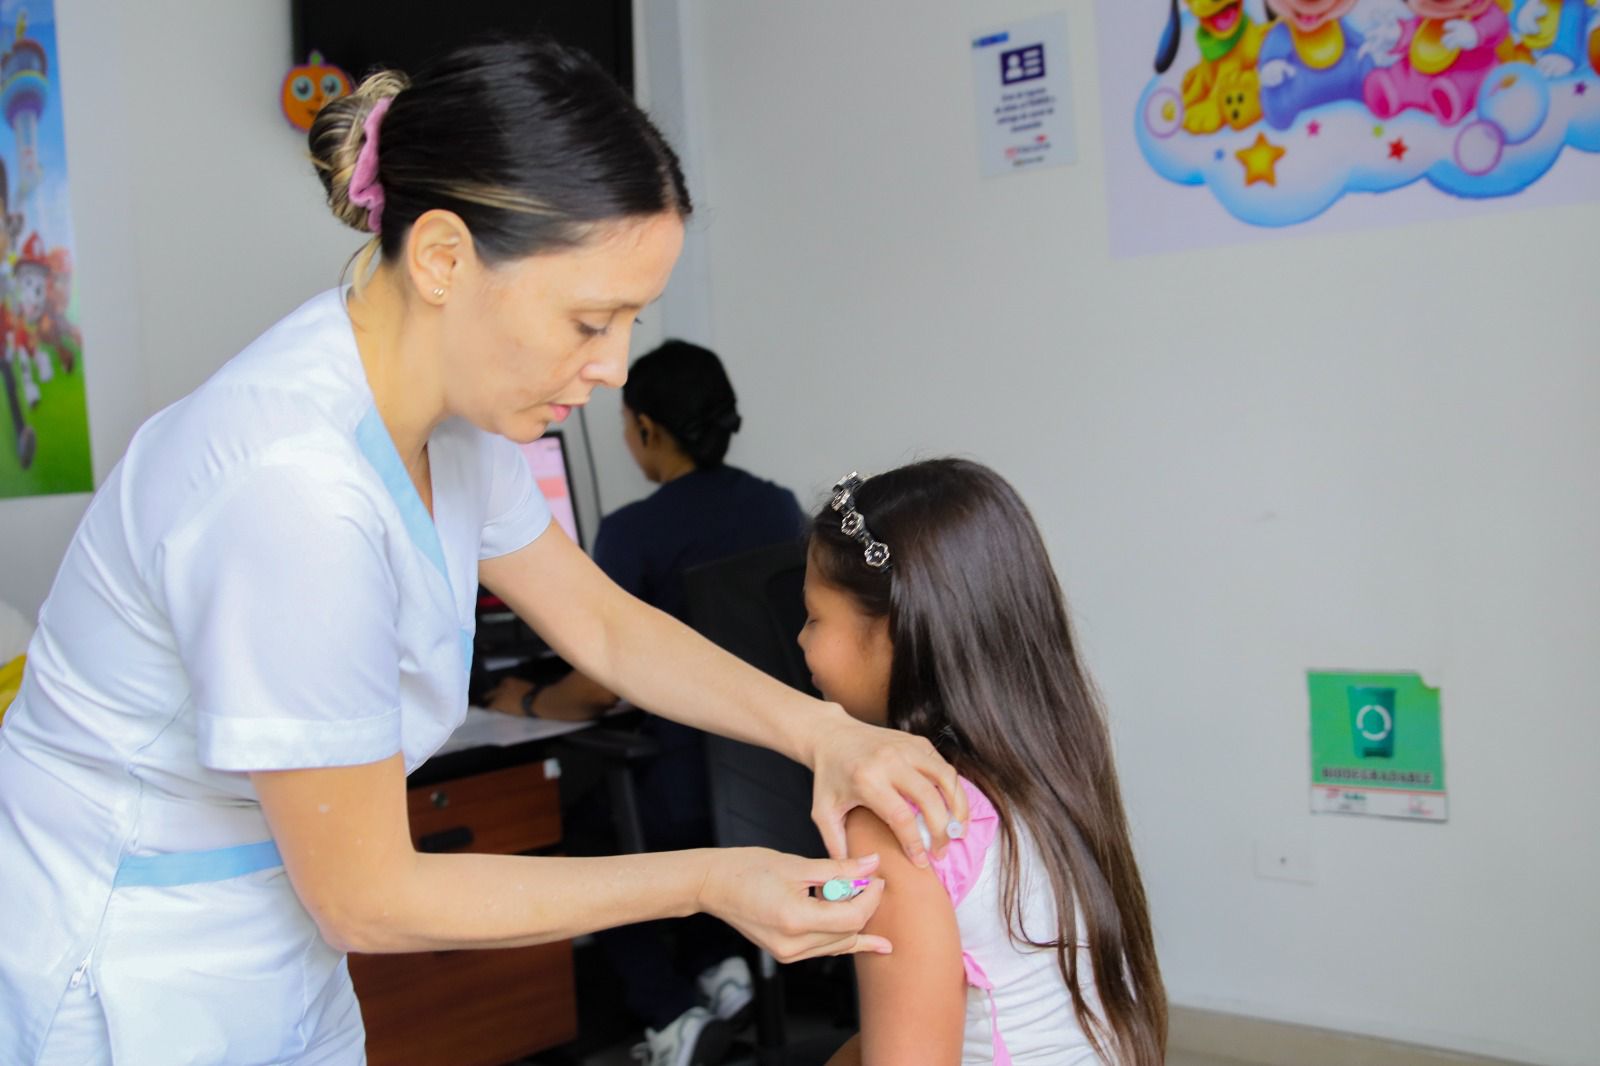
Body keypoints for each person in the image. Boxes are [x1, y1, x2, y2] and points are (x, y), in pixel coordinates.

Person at [0, 39, 967, 1066]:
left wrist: (824, 735)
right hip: (125, 961)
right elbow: (369, 896)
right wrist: (708, 878)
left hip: (269, 939)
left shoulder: (451, 422)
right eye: (590, 321)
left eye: (631, 322)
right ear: (443, 259)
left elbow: (603, 624)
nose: (614, 368)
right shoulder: (289, 485)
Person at [484, 340, 806, 1062]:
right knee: (705, 824)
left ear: (648, 429)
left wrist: (527, 702)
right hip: (774, 782)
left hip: (681, 789)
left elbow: (599, 684)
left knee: (588, 835)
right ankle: (720, 967)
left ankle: (671, 1016)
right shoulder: (779, 507)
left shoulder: (633, 531)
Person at [801, 461, 1167, 1065]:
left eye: (814, 617)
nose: (801, 640)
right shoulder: (1051, 773)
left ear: (896, 630)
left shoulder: (899, 818)